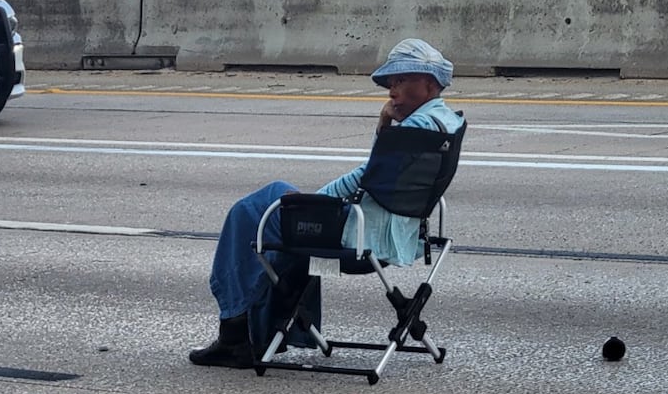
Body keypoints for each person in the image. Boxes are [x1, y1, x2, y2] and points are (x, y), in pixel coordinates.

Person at [189, 38, 466, 369]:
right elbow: (384, 176)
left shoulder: (416, 129)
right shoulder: (446, 123)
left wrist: (316, 200)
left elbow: (367, 177)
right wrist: (385, 127)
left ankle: (235, 334)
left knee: (254, 212)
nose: (392, 90)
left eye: (401, 80)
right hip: (398, 233)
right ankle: (268, 332)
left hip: (362, 238)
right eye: (391, 83)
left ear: (429, 83)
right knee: (276, 210)